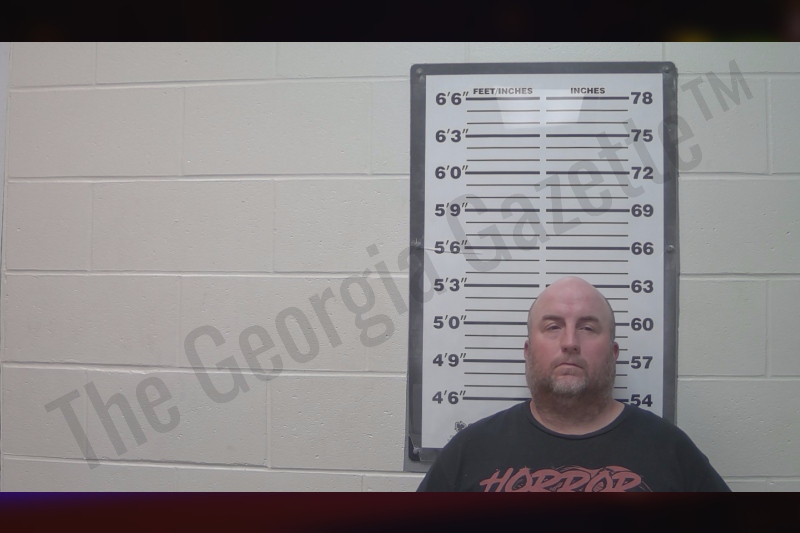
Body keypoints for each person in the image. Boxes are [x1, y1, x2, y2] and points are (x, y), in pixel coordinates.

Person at [417, 276, 729, 492]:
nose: (570, 342)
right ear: (527, 351)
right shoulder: (471, 450)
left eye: (588, 328)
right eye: (553, 327)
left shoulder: (669, 450)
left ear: (614, 353)